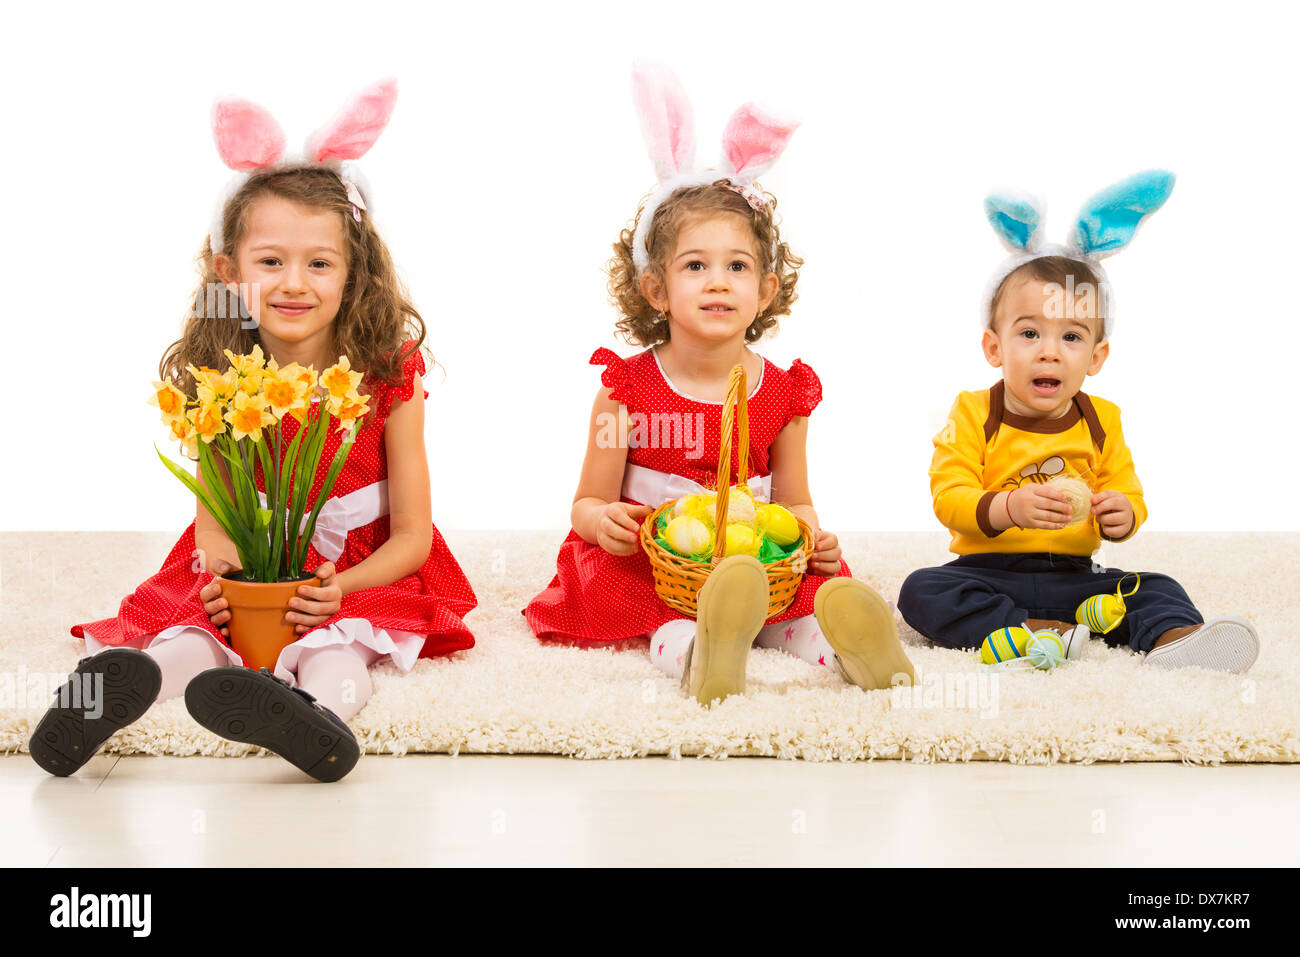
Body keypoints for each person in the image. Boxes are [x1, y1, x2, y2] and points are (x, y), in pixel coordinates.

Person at [30, 79, 476, 782]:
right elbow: (213, 517)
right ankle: (110, 693)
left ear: (353, 272)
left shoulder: (390, 372)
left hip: (351, 569)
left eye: (319, 263)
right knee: (196, 629)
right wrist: (226, 573)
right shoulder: (224, 375)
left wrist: (340, 586)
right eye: (270, 262)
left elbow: (413, 535)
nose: (293, 283)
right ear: (228, 272)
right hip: (245, 560)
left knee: (338, 646)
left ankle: (314, 716)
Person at [524, 63, 914, 705]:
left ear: (765, 289)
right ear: (655, 288)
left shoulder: (785, 393)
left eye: (737, 266)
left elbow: (796, 500)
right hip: (656, 558)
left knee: (806, 591)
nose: (717, 281)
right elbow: (587, 503)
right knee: (624, 594)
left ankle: (841, 649)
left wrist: (811, 535)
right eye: (695, 265)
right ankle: (704, 651)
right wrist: (605, 525)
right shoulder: (624, 390)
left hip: (754, 550)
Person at [898, 171, 1259, 673]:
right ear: (994, 347)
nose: (1049, 352)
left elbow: (1126, 488)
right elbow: (949, 496)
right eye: (1029, 333)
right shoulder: (974, 411)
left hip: (1078, 580)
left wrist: (1122, 514)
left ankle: (1177, 641)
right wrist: (1008, 506)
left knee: (1156, 587)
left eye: (1071, 337)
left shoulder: (1101, 419)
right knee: (922, 591)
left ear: (1096, 356)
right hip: (987, 572)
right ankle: (1032, 631)